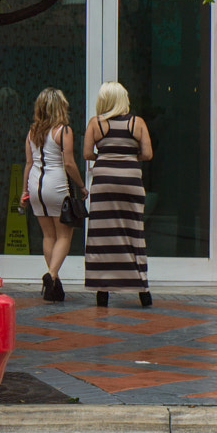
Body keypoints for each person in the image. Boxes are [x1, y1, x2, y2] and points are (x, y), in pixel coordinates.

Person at [83, 81, 154, 308]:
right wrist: (128, 156)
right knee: (133, 232)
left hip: (103, 182)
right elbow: (148, 154)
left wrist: (105, 156)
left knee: (102, 235)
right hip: (130, 181)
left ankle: (102, 292)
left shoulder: (96, 124)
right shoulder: (138, 123)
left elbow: (86, 153)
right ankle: (143, 291)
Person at [22, 88, 83, 303]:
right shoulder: (63, 130)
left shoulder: (32, 131)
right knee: (64, 236)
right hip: (56, 184)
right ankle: (52, 275)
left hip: (35, 185)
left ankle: (53, 287)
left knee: (48, 236)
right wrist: (82, 186)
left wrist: (24, 191)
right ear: (60, 107)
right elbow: (68, 163)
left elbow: (29, 163)